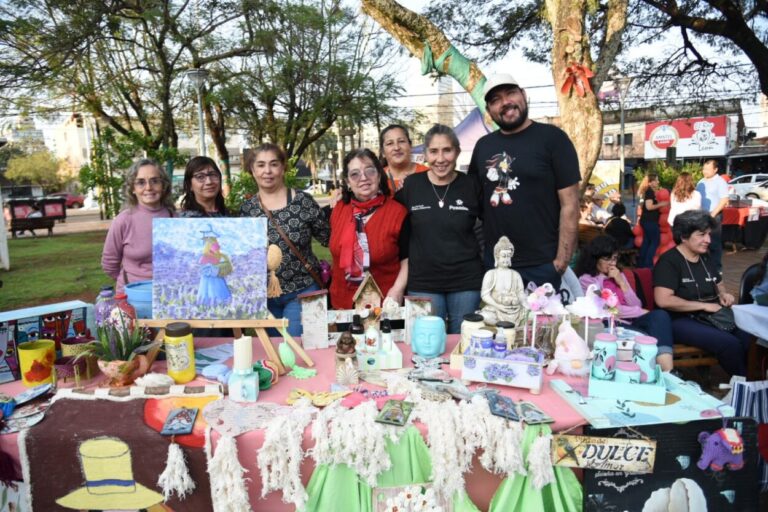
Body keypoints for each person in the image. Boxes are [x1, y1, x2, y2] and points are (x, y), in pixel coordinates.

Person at [468, 73, 580, 290]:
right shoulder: (483, 146)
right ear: (489, 112)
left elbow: (571, 204)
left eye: (510, 93)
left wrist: (560, 262)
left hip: (543, 265)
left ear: (523, 95)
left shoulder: (553, 139)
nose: (505, 102)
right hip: (497, 266)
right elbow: (475, 202)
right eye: (495, 100)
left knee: (544, 325)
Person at [396, 124, 484, 334]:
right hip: (423, 281)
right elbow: (385, 209)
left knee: (462, 342)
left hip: (466, 281)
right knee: (427, 343)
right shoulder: (412, 186)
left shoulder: (472, 185)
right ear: (425, 154)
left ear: (457, 152)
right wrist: (341, 198)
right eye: (434, 151)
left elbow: (496, 220)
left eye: (447, 150)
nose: (441, 158)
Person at [240, 143, 330, 337]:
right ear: (252, 170)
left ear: (283, 167)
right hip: (266, 297)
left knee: (297, 349)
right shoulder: (247, 210)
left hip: (302, 291)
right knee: (275, 354)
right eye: (261, 165)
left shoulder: (303, 202)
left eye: (273, 164)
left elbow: (329, 238)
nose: (268, 171)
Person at [653, 210, 751, 376]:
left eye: (709, 235)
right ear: (684, 236)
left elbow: (718, 282)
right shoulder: (669, 261)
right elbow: (663, 300)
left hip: (712, 316)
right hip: (680, 319)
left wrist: (724, 295)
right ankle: (746, 385)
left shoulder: (705, 258)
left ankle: (757, 380)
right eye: (701, 235)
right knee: (729, 344)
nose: (708, 240)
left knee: (751, 338)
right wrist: (704, 306)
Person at [575, 236, 674, 371]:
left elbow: (636, 304)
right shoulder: (587, 280)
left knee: (660, 316)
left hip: (630, 323)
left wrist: (621, 283)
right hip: (608, 324)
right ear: (595, 259)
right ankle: (655, 370)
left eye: (614, 258)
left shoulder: (619, 276)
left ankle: (667, 368)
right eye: (607, 259)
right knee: (645, 334)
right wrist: (639, 312)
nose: (612, 263)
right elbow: (606, 308)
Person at [329, 148, 408, 309]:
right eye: (355, 174)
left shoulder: (398, 212)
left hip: (385, 305)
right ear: (347, 182)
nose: (363, 178)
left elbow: (408, 259)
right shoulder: (337, 210)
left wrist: (397, 290)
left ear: (379, 175)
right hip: (341, 305)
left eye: (369, 171)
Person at [102, 158, 175, 293]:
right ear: (133, 189)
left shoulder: (174, 217)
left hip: (168, 294)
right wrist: (129, 283)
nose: (148, 187)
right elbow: (109, 264)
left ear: (163, 185)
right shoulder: (123, 220)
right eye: (141, 182)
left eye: (154, 181)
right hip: (133, 297)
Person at [478, 236, 528, 328]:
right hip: (496, 309)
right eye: (503, 256)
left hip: (515, 310)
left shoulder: (515, 275)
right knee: (484, 316)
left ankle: (512, 326)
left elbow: (520, 293)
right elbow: (485, 295)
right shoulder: (491, 274)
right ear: (497, 257)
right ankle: (503, 327)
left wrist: (525, 304)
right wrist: (498, 305)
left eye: (508, 256)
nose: (506, 259)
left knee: (531, 316)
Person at [696, 159, 728, 277]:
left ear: (715, 169)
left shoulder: (720, 182)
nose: (705, 172)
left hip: (714, 216)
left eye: (708, 169)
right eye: (704, 169)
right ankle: (703, 267)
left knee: (714, 243)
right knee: (701, 242)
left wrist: (712, 214)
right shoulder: (701, 182)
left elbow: (724, 200)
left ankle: (716, 269)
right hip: (701, 216)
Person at [379, 124, 429, 195]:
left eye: (401, 141)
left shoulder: (428, 174)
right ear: (383, 152)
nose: (396, 148)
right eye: (390, 143)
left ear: (410, 146)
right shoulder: (376, 179)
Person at [636, 173, 668, 268]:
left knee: (647, 241)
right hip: (650, 221)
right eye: (656, 180)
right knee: (655, 241)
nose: (658, 182)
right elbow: (649, 207)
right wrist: (661, 204)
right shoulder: (649, 192)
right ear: (650, 183)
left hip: (646, 220)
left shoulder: (648, 191)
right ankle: (648, 264)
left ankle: (641, 264)